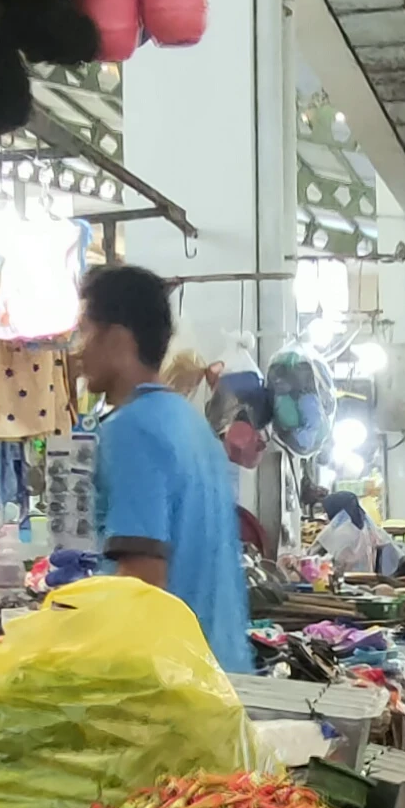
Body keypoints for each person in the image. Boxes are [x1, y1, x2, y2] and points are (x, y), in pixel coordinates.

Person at [74, 262, 252, 674]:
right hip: (220, 672)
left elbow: (141, 581)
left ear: (116, 338)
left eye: (84, 331)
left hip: (170, 688)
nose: (77, 350)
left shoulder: (132, 429)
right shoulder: (191, 425)